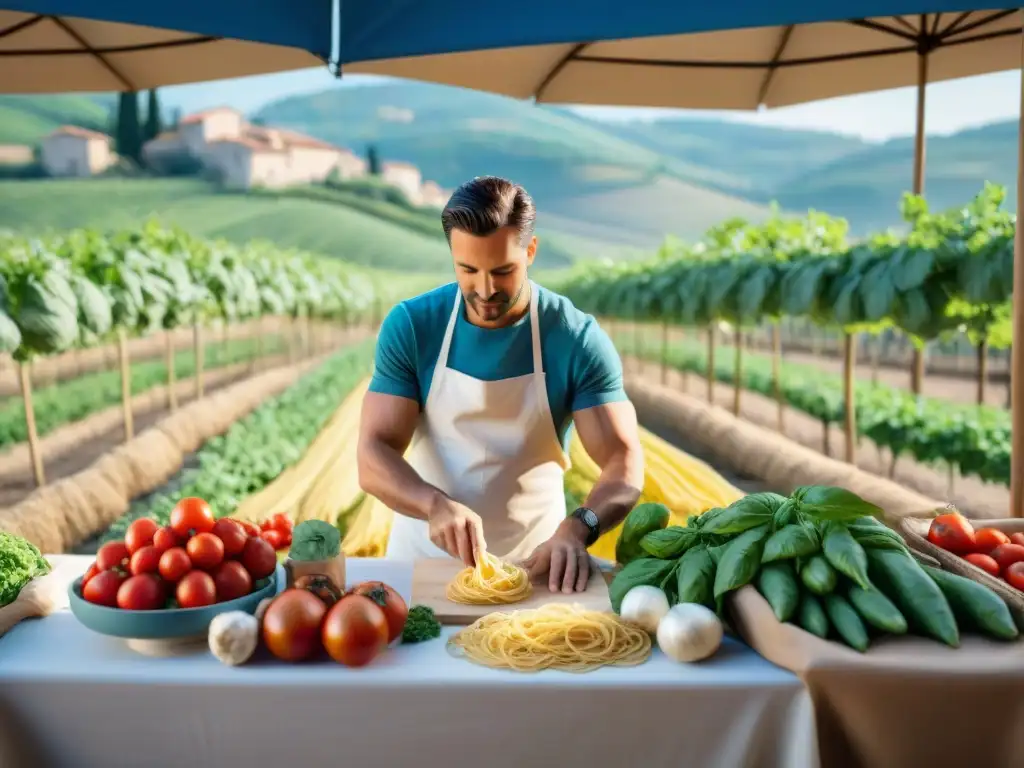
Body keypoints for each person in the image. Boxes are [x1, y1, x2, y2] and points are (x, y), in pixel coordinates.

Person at [357, 176, 644, 593]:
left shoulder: (574, 338)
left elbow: (623, 458)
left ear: (530, 251)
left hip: (540, 568)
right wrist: (434, 505)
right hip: (424, 567)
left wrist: (580, 526)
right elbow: (372, 453)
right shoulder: (413, 327)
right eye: (468, 270)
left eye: (503, 271)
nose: (485, 290)